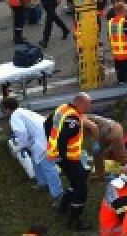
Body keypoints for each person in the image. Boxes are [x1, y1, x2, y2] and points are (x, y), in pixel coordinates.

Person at [45, 93, 94, 231]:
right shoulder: (73, 120)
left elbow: (47, 123)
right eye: (87, 105)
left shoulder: (62, 108)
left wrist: (51, 144)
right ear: (78, 102)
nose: (89, 107)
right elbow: (63, 138)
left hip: (61, 157)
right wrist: (62, 155)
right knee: (81, 188)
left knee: (76, 181)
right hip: (69, 159)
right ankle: (74, 221)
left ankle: (63, 207)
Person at [0, 98, 63, 203]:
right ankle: (42, 183)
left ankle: (58, 195)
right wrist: (25, 144)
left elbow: (22, 133)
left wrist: (18, 147)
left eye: (2, 109)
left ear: (7, 109)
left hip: (42, 143)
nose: (1, 112)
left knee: (48, 168)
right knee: (35, 162)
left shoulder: (14, 117)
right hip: (44, 138)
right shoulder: (22, 111)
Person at [83, 114, 127, 181]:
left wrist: (96, 143)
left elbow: (94, 127)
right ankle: (100, 177)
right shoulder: (74, 120)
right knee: (97, 156)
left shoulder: (79, 118)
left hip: (113, 131)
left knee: (122, 156)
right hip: (104, 134)